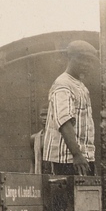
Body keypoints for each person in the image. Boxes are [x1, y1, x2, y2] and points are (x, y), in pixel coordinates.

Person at [42, 40, 98, 176]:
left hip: (82, 158)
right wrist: (77, 154)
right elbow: (64, 121)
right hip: (67, 160)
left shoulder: (80, 86)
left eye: (90, 61)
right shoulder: (63, 84)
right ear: (69, 58)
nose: (86, 64)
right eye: (82, 59)